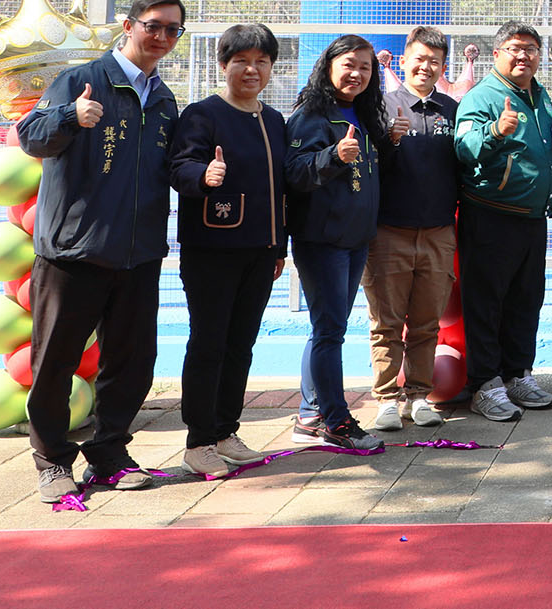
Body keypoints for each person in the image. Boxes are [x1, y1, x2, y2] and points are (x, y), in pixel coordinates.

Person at [17, 0, 185, 502]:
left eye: (172, 29)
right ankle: (52, 461)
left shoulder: (163, 99)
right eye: (153, 25)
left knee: (133, 364)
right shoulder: (81, 81)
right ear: (128, 26)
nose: (161, 37)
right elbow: (31, 135)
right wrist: (71, 116)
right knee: (55, 362)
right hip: (73, 253)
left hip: (138, 255)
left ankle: (109, 453)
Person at [168, 23, 288, 475]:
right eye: (241, 61)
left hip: (261, 251)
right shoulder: (202, 115)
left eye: (261, 62)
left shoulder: (273, 120)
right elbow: (179, 167)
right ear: (223, 65)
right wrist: (203, 176)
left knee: (241, 344)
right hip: (212, 250)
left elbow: (280, 190)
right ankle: (198, 441)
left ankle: (225, 431)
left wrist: (279, 246)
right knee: (209, 342)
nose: (252, 70)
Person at [285, 34, 403, 452]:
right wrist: (334, 156)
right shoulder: (310, 115)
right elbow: (294, 173)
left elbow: (369, 173)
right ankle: (336, 421)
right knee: (330, 331)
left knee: (326, 329)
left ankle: (309, 415)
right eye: (349, 65)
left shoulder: (365, 114)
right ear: (329, 66)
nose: (357, 74)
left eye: (365, 67)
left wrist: (389, 142)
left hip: (356, 239)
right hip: (323, 240)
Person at [455, 22, 552, 423]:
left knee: (526, 302)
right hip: (491, 216)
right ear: (497, 53)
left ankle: (518, 374)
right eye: (515, 48)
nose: (523, 56)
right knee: (486, 304)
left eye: (531, 49)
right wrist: (496, 131)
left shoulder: (540, 95)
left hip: (532, 219)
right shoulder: (482, 96)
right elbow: (464, 147)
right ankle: (485, 384)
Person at [362, 26, 461, 432]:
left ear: (443, 67)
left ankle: (419, 396)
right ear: (403, 61)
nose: (426, 67)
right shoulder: (380, 107)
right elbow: (365, 167)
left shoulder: (451, 110)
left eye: (435, 61)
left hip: (438, 232)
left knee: (426, 322)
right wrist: (389, 141)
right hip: (389, 232)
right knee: (386, 322)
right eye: (419, 59)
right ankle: (387, 398)